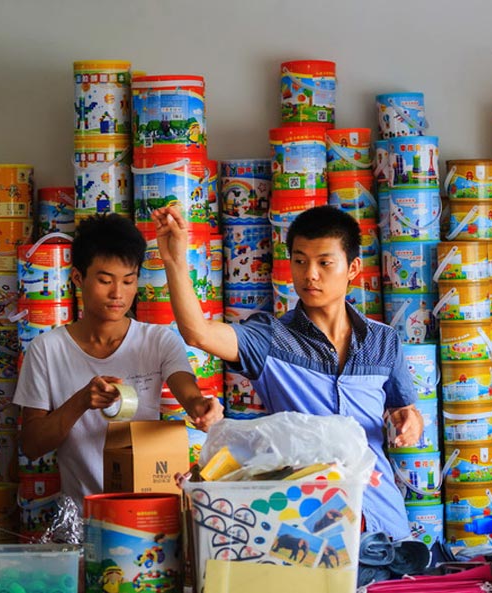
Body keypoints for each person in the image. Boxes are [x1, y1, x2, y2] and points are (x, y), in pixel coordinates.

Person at [153, 204, 422, 540]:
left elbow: (404, 409)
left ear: (352, 268)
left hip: (383, 517)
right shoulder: (269, 338)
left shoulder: (384, 341)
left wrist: (410, 421)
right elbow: (198, 333)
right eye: (299, 260)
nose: (309, 274)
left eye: (324, 263)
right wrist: (175, 260)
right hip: (309, 523)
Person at [13, 214, 224, 506]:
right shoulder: (46, 349)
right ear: (77, 278)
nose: (118, 294)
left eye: (128, 281)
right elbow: (32, 445)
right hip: (82, 514)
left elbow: (188, 393)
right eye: (104, 280)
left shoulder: (158, 341)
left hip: (147, 508)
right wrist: (82, 400)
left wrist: (204, 409)